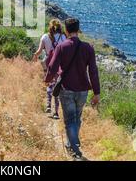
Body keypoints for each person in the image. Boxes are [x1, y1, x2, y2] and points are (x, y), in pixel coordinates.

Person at [45, 18, 100, 161]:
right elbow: (93, 71)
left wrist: (47, 80)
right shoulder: (88, 48)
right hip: (83, 91)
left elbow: (52, 67)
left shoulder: (62, 47)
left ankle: (75, 150)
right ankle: (71, 143)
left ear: (67, 31)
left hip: (66, 89)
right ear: (78, 30)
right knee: (77, 118)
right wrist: (97, 92)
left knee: (70, 120)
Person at [33, 19, 67, 120]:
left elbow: (38, 52)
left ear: (50, 27)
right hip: (60, 64)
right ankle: (56, 112)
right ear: (60, 27)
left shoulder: (44, 37)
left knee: (49, 83)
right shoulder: (64, 37)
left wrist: (35, 56)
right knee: (57, 87)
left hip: (48, 63)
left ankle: (48, 105)